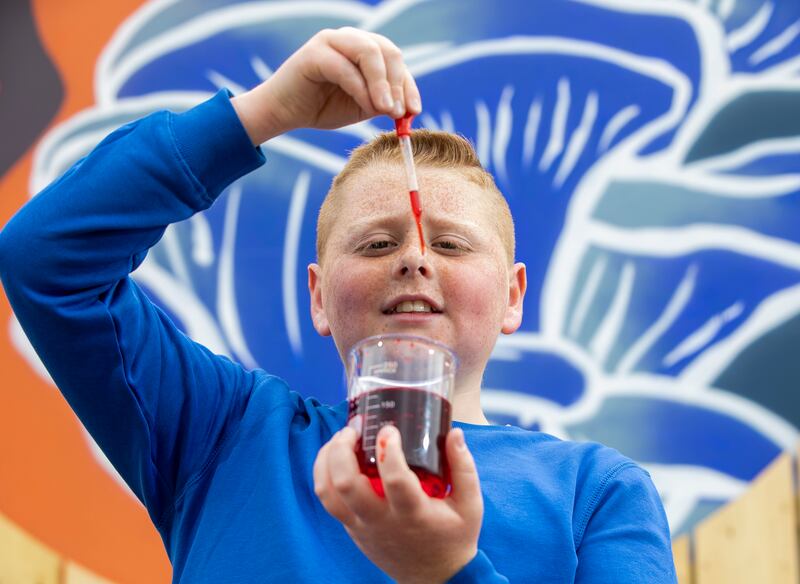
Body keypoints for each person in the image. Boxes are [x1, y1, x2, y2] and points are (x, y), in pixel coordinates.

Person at [0, 27, 677, 583]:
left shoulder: (597, 491)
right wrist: (264, 113)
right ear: (319, 298)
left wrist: (447, 571)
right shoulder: (225, 433)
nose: (415, 258)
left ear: (513, 297)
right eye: (378, 242)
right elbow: (47, 261)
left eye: (451, 243)